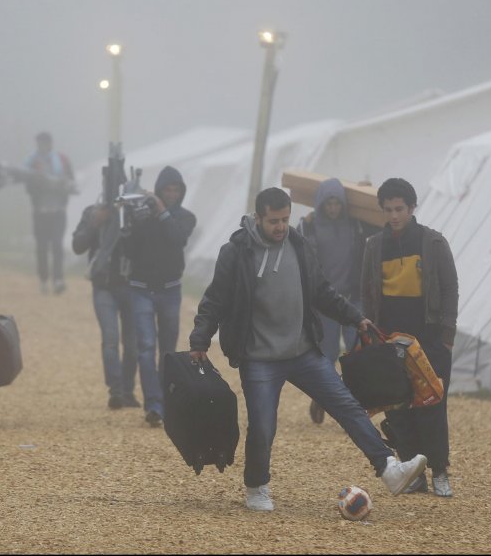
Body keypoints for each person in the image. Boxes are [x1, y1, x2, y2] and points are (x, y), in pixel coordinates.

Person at [188, 187, 428, 512]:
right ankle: (257, 486)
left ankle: (389, 468)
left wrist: (355, 318)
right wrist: (200, 340)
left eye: (285, 219)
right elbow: (215, 300)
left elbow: (322, 291)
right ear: (258, 218)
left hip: (303, 352)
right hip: (259, 359)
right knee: (263, 424)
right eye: (273, 221)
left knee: (347, 405)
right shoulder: (237, 252)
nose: (280, 227)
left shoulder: (298, 244)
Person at [361, 177, 458, 497]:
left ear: (412, 208)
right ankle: (412, 473)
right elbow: (367, 292)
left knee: (431, 406)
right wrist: (371, 336)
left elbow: (449, 289)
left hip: (428, 339)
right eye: (388, 209)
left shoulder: (432, 243)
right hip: (389, 342)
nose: (394, 215)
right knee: (398, 409)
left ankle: (440, 470)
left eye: (399, 209)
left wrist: (446, 337)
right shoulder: (374, 246)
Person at [296, 177, 378, 424]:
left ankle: (353, 408)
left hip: (352, 299)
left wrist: (366, 194)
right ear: (321, 204)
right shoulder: (309, 227)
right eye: (328, 203)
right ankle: (323, 397)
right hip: (325, 303)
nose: (333, 208)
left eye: (337, 203)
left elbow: (379, 225)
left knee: (356, 355)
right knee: (326, 355)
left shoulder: (356, 226)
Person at [124, 166, 196, 427]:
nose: (172, 194)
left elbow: (177, 239)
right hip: (141, 288)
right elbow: (128, 249)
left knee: (167, 351)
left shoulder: (186, 218)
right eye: (167, 189)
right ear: (159, 190)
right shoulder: (144, 217)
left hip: (170, 290)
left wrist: (161, 212)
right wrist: (133, 220)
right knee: (145, 349)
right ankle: (153, 404)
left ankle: (165, 401)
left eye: (176, 189)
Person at [72, 195, 140, 411]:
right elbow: (78, 245)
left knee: (132, 344)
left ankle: (127, 391)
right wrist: (95, 222)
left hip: (132, 285)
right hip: (104, 286)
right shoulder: (93, 212)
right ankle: (116, 391)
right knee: (110, 339)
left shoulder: (135, 211)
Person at [23, 131, 76, 295]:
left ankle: (58, 279)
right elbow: (27, 185)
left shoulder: (62, 160)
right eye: (41, 143)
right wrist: (38, 185)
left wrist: (62, 189)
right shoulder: (31, 162)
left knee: (57, 245)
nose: (43, 146)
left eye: (46, 143)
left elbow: (71, 181)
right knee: (41, 247)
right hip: (40, 210)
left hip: (58, 209)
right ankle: (43, 279)